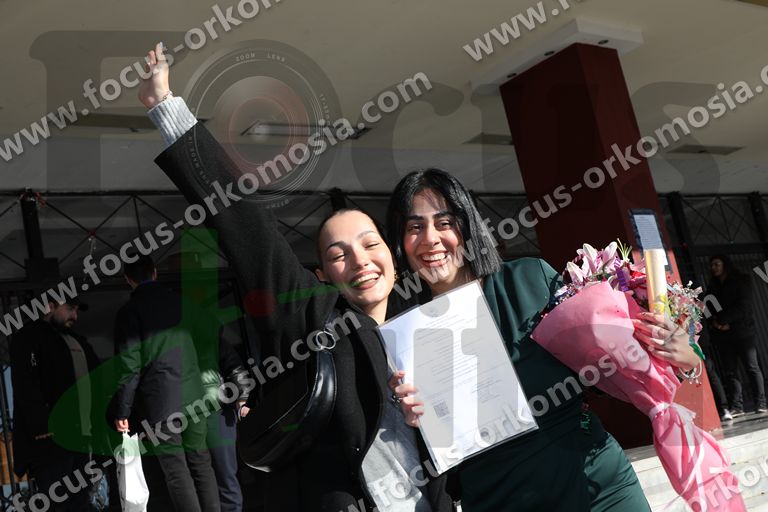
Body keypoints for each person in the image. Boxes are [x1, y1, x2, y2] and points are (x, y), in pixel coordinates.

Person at [139, 43, 454, 511]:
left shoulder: (425, 325)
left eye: (370, 245)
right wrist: (166, 106)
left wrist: (430, 417)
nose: (360, 261)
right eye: (339, 254)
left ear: (391, 254)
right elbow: (244, 221)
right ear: (321, 273)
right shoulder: (313, 315)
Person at [385, 169, 702, 511]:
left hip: (597, 485)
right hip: (499, 499)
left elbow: (614, 366)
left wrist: (684, 357)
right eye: (414, 227)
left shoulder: (528, 279)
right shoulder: (404, 336)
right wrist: (413, 419)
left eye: (444, 222)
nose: (430, 238)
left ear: (467, 225)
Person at [112, 254, 221, 512]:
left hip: (159, 403)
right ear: (155, 272)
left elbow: (129, 366)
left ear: (128, 279)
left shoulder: (128, 313)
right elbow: (214, 331)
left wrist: (122, 411)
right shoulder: (182, 302)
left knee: (176, 470)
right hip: (194, 396)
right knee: (201, 463)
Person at [10, 297, 99, 511]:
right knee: (58, 501)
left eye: (76, 310)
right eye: (69, 309)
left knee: (81, 501)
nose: (74, 316)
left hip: (82, 437)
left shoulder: (78, 341)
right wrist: (43, 427)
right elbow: (26, 386)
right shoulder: (29, 337)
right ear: (50, 306)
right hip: (52, 440)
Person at [705, 254, 767, 416]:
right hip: (723, 335)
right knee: (730, 371)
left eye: (717, 264)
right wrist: (716, 322)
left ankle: (761, 402)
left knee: (751, 367)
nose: (714, 268)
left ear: (725, 264)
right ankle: (737, 406)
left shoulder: (741, 280)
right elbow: (709, 307)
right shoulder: (713, 286)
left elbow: (744, 306)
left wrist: (725, 321)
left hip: (743, 330)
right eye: (712, 265)